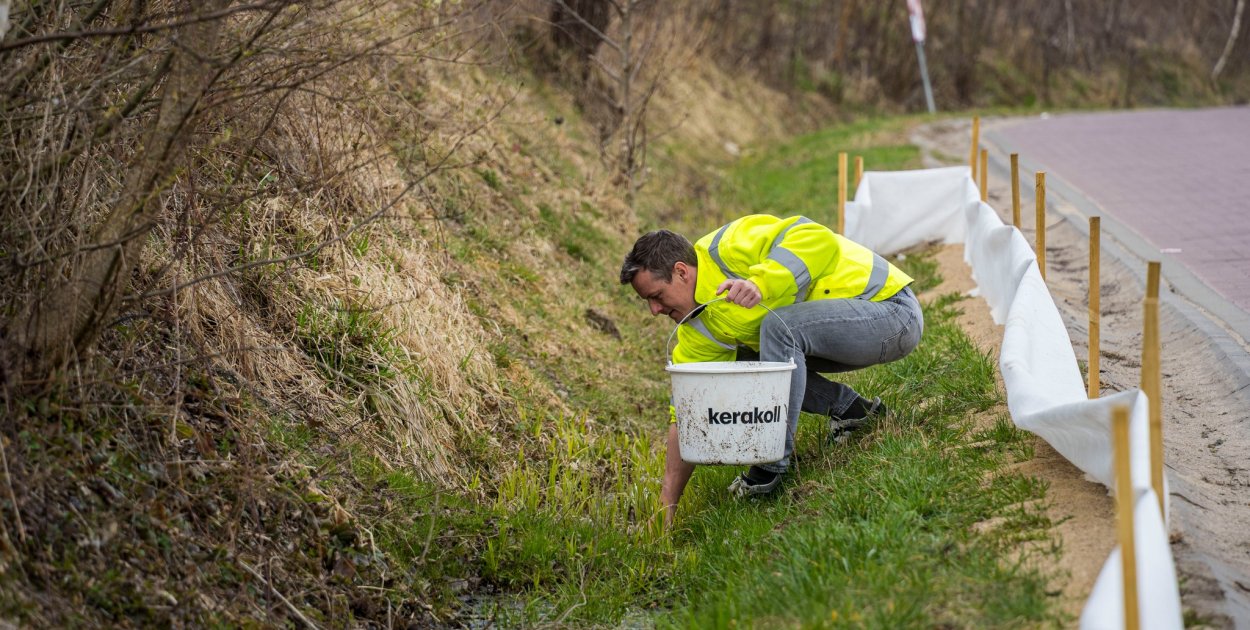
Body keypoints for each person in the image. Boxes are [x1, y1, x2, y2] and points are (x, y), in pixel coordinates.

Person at [620, 214, 923, 526]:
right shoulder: (698, 328)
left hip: (891, 314)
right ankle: (854, 411)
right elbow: (688, 409)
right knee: (733, 364)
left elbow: (817, 236)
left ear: (681, 272)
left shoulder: (728, 248)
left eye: (656, 297)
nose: (654, 310)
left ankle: (769, 467)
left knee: (779, 330)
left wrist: (760, 284)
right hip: (846, 336)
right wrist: (667, 503)